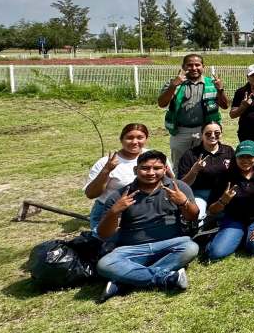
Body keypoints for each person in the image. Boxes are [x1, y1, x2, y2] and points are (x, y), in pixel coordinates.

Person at [94, 150, 199, 302]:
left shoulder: (178, 187)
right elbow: (104, 234)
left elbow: (192, 216)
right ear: (135, 170)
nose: (151, 172)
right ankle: (167, 277)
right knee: (105, 264)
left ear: (165, 169)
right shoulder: (120, 195)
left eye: (157, 168)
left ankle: (124, 282)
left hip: (169, 246)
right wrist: (114, 212)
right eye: (145, 168)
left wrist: (183, 202)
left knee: (190, 248)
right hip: (132, 249)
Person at [205, 140, 254, 261]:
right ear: (235, 157)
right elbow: (211, 210)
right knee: (215, 253)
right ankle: (230, 237)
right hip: (234, 220)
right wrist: (223, 201)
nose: (245, 160)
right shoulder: (225, 176)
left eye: (249, 157)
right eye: (241, 156)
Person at [157, 53, 229, 167]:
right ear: (183, 67)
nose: (194, 68)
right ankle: (181, 185)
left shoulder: (212, 83)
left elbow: (225, 106)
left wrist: (220, 90)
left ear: (203, 67)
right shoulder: (175, 82)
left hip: (205, 131)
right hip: (180, 131)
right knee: (179, 164)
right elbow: (161, 103)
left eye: (197, 65)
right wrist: (173, 86)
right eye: (189, 65)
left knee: (205, 163)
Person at [84, 123, 150, 232]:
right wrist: (107, 170)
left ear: (146, 139)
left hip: (144, 210)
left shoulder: (154, 157)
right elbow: (91, 194)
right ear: (121, 139)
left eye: (140, 138)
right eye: (129, 138)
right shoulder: (106, 162)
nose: (134, 142)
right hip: (109, 212)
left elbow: (169, 181)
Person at [177, 120, 235, 226]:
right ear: (201, 135)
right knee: (197, 218)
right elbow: (182, 185)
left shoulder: (228, 151)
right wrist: (194, 171)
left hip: (223, 193)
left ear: (221, 134)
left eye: (217, 133)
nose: (212, 136)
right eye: (208, 133)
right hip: (199, 194)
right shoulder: (191, 154)